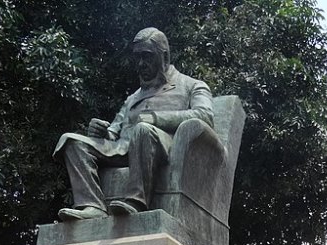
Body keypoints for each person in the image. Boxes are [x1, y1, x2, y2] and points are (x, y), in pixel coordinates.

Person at [54, 28, 214, 221]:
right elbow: (114, 130)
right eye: (137, 57)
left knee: (143, 129)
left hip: (161, 146)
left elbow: (205, 116)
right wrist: (102, 132)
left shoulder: (192, 86)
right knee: (71, 141)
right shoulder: (133, 97)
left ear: (164, 56)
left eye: (147, 57)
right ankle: (92, 205)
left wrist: (155, 118)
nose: (141, 64)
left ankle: (136, 202)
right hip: (123, 147)